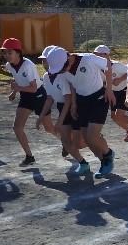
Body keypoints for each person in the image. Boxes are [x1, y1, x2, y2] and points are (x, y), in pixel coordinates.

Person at [46, 46, 116, 179]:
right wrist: (74, 104)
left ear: (68, 58)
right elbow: (72, 85)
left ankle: (108, 154)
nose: (61, 72)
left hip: (99, 98)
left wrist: (109, 89)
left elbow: (108, 65)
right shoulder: (62, 71)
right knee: (87, 138)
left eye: (62, 68)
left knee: (92, 135)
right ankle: (104, 163)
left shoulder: (88, 59)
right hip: (82, 101)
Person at [1, 38, 52, 165]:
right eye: (5, 52)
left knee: (49, 128)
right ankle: (29, 156)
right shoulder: (9, 66)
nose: (6, 55)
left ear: (18, 52)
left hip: (39, 95)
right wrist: (14, 92)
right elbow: (18, 79)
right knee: (17, 127)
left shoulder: (28, 65)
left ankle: (66, 143)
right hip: (26, 96)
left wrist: (17, 88)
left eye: (9, 52)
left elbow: (34, 88)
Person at [37, 47, 89, 170]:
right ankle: (83, 163)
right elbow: (49, 98)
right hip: (62, 108)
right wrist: (41, 117)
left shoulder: (62, 75)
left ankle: (95, 138)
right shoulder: (45, 76)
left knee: (79, 143)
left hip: (73, 107)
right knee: (65, 140)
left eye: (47, 61)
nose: (45, 64)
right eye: (43, 61)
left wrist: (59, 121)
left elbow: (68, 99)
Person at [94, 45, 128, 141]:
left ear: (106, 55)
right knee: (114, 117)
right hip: (113, 92)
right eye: (95, 55)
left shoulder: (116, 65)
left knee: (119, 115)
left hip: (124, 90)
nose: (96, 57)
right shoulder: (98, 69)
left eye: (98, 55)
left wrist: (120, 79)